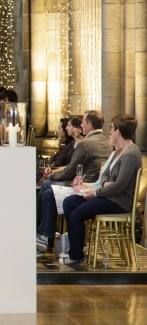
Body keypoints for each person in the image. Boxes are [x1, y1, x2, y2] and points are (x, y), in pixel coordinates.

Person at [59, 114, 141, 266]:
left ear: (119, 132)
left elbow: (119, 185)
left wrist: (96, 192)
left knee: (77, 213)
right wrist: (103, 185)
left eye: (111, 129)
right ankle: (78, 245)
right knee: (69, 202)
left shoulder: (131, 154)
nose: (109, 132)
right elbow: (105, 176)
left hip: (119, 201)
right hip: (109, 195)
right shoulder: (118, 151)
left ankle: (76, 255)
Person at [36, 110, 112, 255]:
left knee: (47, 191)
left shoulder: (86, 143)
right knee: (47, 190)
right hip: (96, 185)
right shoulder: (108, 142)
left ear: (89, 125)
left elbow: (71, 171)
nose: (81, 125)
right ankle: (44, 235)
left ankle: (43, 235)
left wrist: (51, 176)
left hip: (83, 187)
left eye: (83, 122)